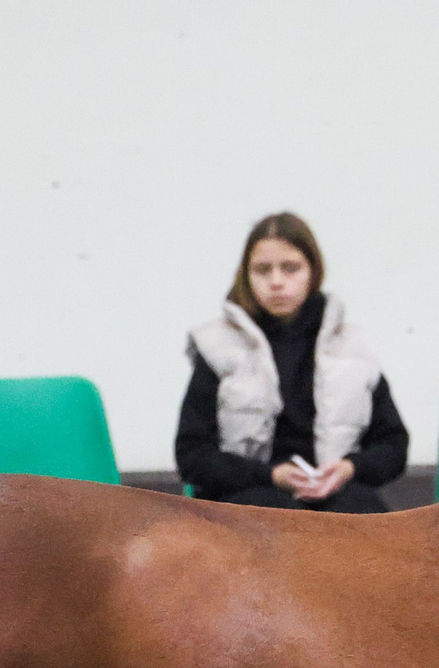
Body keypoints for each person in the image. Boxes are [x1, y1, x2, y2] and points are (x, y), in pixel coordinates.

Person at [175, 213, 408, 514]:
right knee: (270, 518)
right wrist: (270, 475)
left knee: (366, 519)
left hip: (335, 493)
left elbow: (393, 445)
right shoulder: (217, 348)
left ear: (313, 271)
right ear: (246, 274)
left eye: (290, 268)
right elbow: (193, 455)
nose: (276, 281)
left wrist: (348, 468)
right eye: (262, 270)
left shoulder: (352, 347)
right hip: (249, 494)